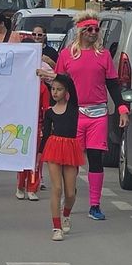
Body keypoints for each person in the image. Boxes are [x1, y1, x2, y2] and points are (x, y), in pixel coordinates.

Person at [47, 13, 127, 222]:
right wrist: (53, 110)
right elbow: (58, 85)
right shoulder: (66, 55)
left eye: (96, 29)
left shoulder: (104, 56)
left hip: (98, 113)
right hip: (74, 114)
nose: (93, 33)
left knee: (95, 158)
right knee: (70, 159)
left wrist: (121, 107)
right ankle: (69, 197)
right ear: (80, 31)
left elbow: (112, 84)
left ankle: (95, 204)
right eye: (89, 30)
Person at [40, 74, 87, 239]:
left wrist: (54, 75)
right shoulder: (50, 112)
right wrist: (39, 153)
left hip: (70, 149)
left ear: (66, 91)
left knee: (70, 193)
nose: (55, 92)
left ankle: (66, 214)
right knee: (57, 188)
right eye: (53, 89)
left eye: (59, 89)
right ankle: (56, 228)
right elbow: (46, 135)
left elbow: (71, 83)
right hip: (54, 148)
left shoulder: (73, 106)